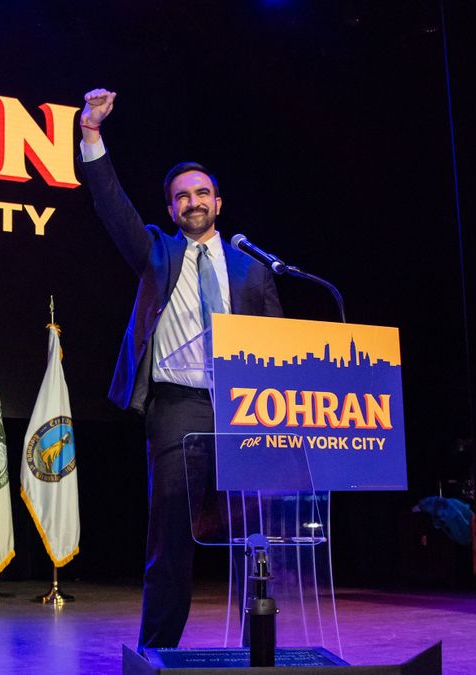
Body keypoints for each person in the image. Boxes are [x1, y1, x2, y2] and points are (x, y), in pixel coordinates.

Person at [78, 88, 283, 650]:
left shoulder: (252, 269)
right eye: (182, 197)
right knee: (171, 535)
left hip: (247, 410)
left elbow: (278, 348)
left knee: (254, 538)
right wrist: (92, 134)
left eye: (202, 193)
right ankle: (157, 651)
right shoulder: (156, 252)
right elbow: (111, 205)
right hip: (177, 405)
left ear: (219, 203)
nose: (193, 202)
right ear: (171, 210)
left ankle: (259, 650)